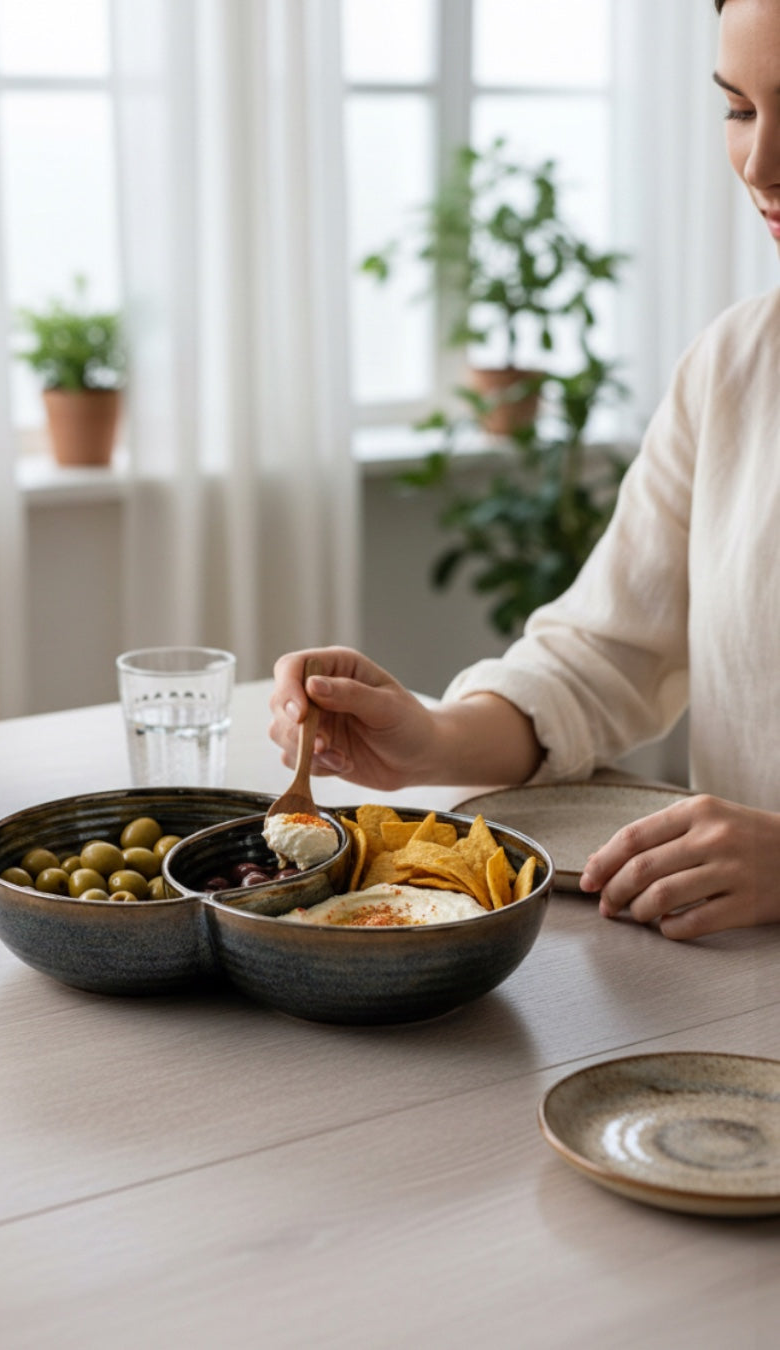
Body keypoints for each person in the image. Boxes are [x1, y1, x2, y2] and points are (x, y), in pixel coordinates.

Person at [270, 0, 780, 942]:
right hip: (733, 992)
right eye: (740, 109)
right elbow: (603, 656)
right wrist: (428, 736)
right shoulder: (740, 363)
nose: (760, 166)